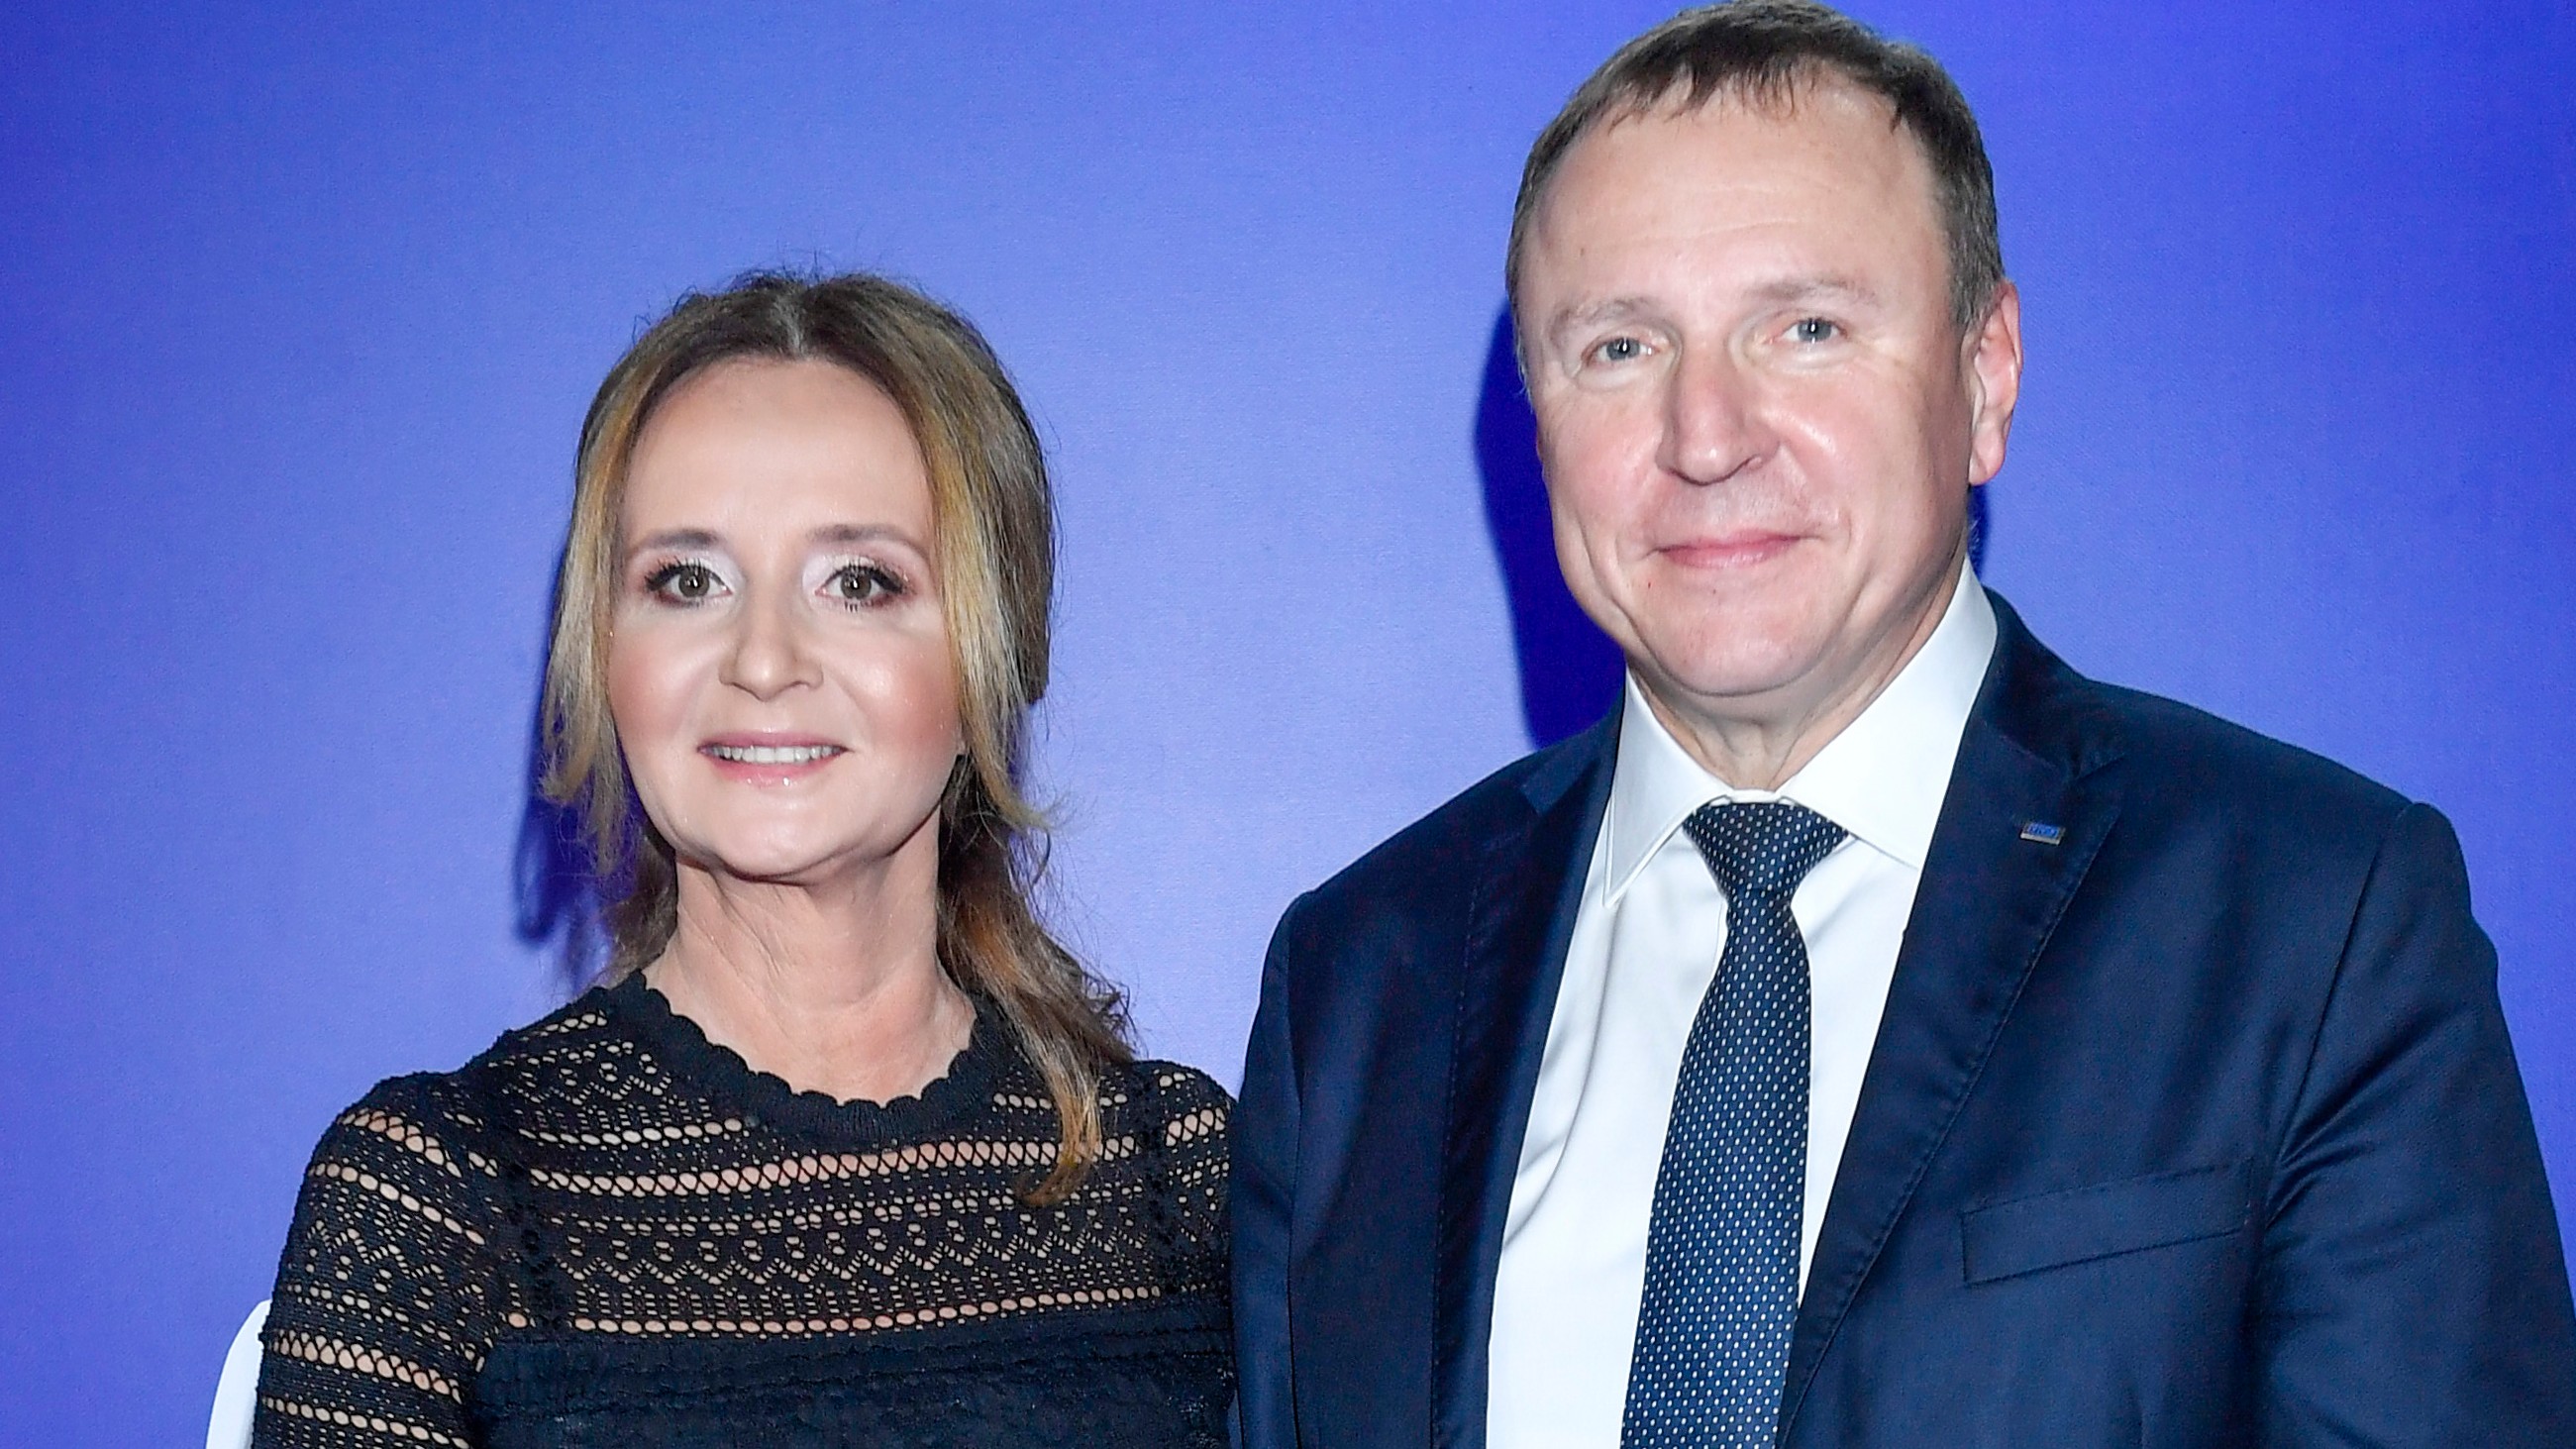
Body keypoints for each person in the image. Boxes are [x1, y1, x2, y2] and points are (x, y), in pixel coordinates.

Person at [1230, 3, 2576, 1445]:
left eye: (1806, 328)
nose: (1706, 434)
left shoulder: (2312, 918)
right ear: (1537, 417)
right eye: (1619, 346)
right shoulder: (1360, 981)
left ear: (1985, 375)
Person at [251, 273, 1233, 1448]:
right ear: (603, 653)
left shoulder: (1179, 1181)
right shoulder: (437, 1202)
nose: (763, 659)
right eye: (687, 580)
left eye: (858, 581)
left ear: (995, 649)